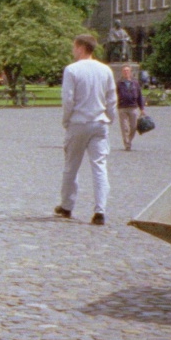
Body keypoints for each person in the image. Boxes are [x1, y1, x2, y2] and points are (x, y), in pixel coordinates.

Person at [56, 34, 117, 225]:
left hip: (79, 122)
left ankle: (67, 205)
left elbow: (68, 99)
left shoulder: (72, 70)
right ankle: (100, 209)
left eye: (74, 47)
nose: (73, 51)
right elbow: (111, 99)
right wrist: (110, 119)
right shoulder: (105, 70)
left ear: (81, 48)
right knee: (99, 167)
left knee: (71, 166)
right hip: (100, 122)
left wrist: (66, 121)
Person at [115, 65, 145, 150]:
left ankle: (129, 140)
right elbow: (114, 95)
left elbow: (139, 96)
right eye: (124, 71)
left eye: (127, 71)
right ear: (122, 72)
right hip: (122, 107)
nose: (126, 72)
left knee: (133, 126)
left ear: (130, 72)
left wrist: (142, 108)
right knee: (124, 127)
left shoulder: (135, 83)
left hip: (133, 107)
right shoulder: (118, 83)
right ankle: (127, 144)